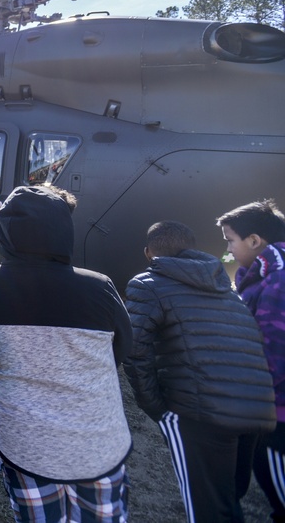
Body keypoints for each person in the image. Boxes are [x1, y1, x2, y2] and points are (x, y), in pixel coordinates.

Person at [0, 185, 133, 523]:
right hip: (98, 443)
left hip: (24, 444)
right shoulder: (99, 286)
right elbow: (123, 349)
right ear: (64, 230)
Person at [125, 220, 275, 523]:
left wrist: (159, 409)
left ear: (148, 253)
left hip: (202, 415)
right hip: (255, 409)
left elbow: (134, 350)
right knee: (229, 499)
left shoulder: (147, 284)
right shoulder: (227, 289)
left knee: (207, 511)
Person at [217, 199, 285, 520]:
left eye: (230, 240)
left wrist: (251, 395)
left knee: (273, 476)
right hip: (268, 405)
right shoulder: (263, 273)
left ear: (255, 241)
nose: (228, 249)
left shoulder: (278, 281)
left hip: (275, 408)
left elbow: (275, 351)